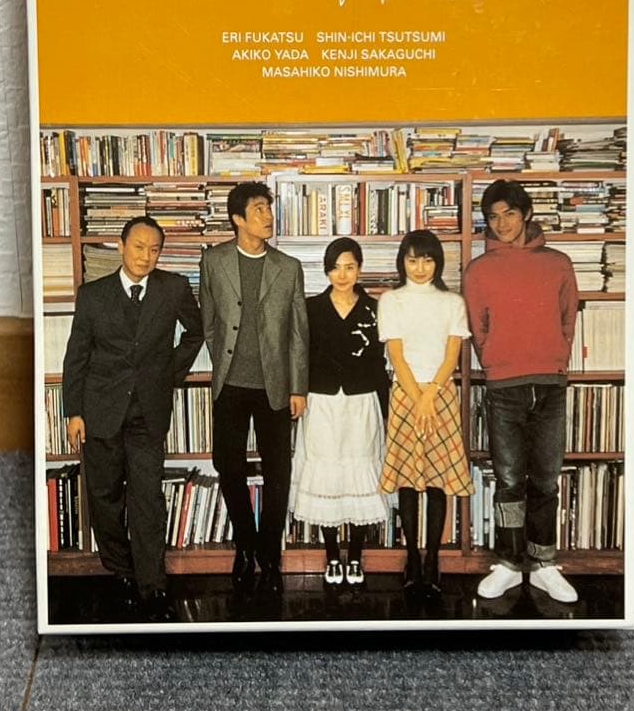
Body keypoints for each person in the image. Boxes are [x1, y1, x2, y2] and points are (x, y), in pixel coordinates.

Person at [62, 215, 203, 621]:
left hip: (148, 412)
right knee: (104, 498)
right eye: (139, 247)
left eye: (154, 250)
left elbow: (196, 333)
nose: (146, 256)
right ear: (121, 247)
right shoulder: (93, 295)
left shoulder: (174, 288)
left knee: (147, 499)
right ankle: (120, 570)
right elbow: (77, 358)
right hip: (99, 412)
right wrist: (73, 412)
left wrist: (169, 373)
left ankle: (152, 583)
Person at [463, 180, 580, 604]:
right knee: (509, 479)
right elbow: (478, 328)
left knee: (546, 479)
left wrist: (555, 357)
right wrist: (496, 361)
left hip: (550, 383)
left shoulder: (558, 263)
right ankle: (511, 563)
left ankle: (544, 564)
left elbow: (568, 318)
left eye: (509, 214)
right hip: (504, 386)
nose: (502, 223)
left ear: (527, 214)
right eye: (493, 217)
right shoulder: (478, 270)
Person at [199, 181, 309, 597]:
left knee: (279, 470)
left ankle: (270, 553)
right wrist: (224, 359)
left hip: (274, 386)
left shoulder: (288, 267)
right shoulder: (214, 262)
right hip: (230, 383)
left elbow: (298, 333)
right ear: (238, 219)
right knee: (229, 467)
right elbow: (209, 322)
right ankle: (245, 546)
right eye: (259, 209)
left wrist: (298, 386)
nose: (268, 215)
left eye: (269, 208)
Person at [290, 237, 392, 587]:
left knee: (361, 473)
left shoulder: (375, 309)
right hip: (321, 402)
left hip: (362, 402)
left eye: (350, 267)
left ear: (360, 269)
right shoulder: (311, 308)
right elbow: (300, 356)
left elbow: (380, 363)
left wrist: (387, 407)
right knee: (326, 474)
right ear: (327, 270)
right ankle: (333, 555)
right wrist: (297, 392)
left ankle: (356, 556)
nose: (343, 274)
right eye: (336, 268)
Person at [377, 229, 474, 597]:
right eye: (413, 260)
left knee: (436, 481)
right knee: (407, 480)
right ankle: (412, 558)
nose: (420, 268)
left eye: (428, 260)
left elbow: (452, 355)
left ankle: (433, 558)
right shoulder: (391, 300)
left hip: (441, 394)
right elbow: (396, 355)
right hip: (405, 394)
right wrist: (418, 397)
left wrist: (430, 394)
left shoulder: (452, 302)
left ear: (438, 262)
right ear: (402, 262)